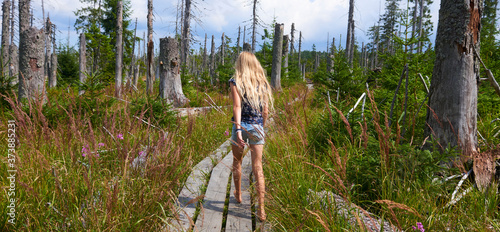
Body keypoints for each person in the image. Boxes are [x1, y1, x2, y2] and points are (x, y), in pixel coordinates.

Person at [229, 51, 274, 222]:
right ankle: (261, 209)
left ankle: (238, 194)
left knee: (237, 162)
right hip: (257, 127)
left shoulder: (235, 82)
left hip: (240, 126)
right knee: (258, 167)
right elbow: (266, 111)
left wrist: (239, 130)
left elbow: (237, 107)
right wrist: (262, 125)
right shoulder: (262, 82)